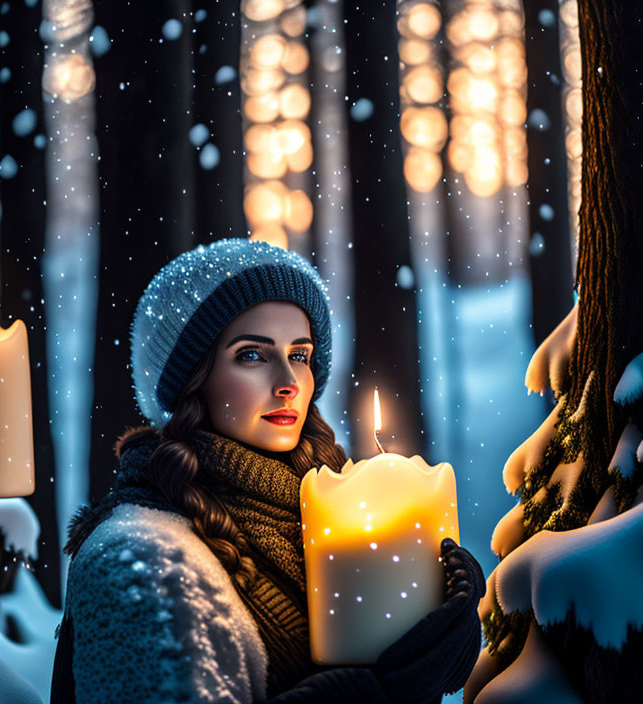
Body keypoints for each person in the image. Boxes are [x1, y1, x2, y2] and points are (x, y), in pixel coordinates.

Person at [51, 238, 484, 704]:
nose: (288, 383)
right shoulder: (138, 557)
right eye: (252, 355)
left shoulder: (332, 517)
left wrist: (439, 633)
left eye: (299, 355)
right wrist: (383, 689)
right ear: (191, 380)